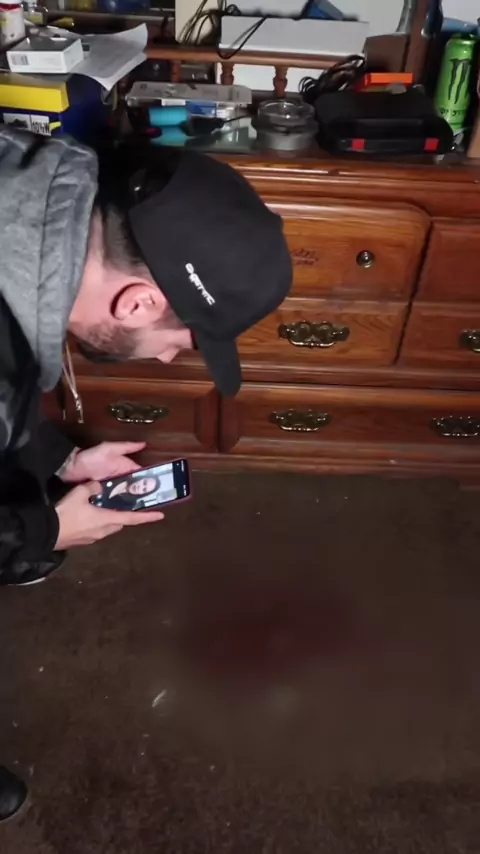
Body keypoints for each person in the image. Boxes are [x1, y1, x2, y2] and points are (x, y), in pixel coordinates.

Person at [0, 127, 292, 820]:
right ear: (137, 303)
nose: (168, 359)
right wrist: (44, 530)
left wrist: (61, 459)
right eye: (180, 342)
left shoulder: (33, 202)